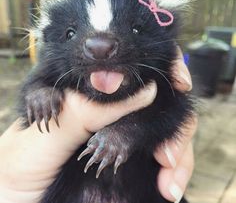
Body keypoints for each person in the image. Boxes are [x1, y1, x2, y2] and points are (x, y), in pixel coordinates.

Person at [0, 47, 197, 203]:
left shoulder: (161, 78)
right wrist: (40, 92)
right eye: (71, 33)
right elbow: (38, 83)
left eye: (135, 29)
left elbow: (172, 113)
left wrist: (126, 132)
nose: (100, 49)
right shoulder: (51, 77)